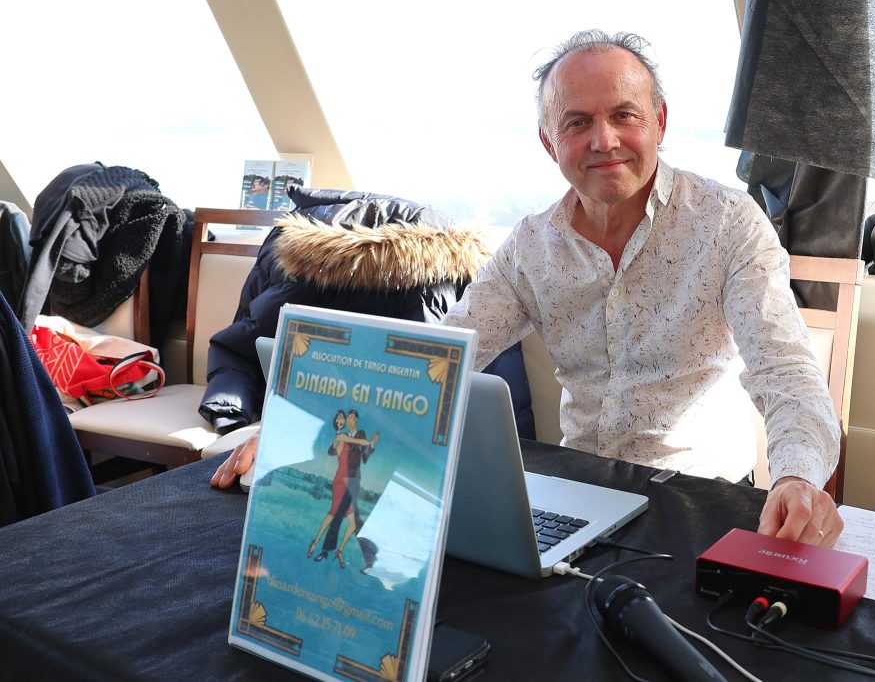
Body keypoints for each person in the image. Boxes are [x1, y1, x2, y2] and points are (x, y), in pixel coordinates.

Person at [214, 29, 843, 547]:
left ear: (658, 122)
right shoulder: (531, 246)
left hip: (699, 500)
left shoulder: (728, 223)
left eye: (624, 115)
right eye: (578, 122)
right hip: (578, 493)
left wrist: (796, 478)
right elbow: (442, 359)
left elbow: (786, 372)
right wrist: (306, 432)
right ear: (550, 142)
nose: (604, 140)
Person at [307, 409, 380, 568]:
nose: (349, 420)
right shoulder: (344, 437)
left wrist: (372, 444)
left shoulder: (360, 433)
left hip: (353, 479)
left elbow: (365, 457)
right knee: (340, 515)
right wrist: (344, 440)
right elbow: (331, 451)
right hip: (344, 480)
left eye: (351, 418)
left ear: (356, 420)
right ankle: (328, 550)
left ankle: (336, 550)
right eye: (347, 418)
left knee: (351, 519)